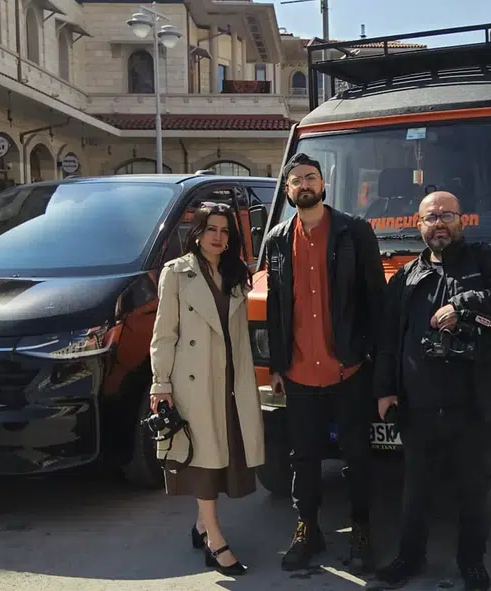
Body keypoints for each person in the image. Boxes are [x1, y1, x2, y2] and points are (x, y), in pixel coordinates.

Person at [373, 191, 491, 591]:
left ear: (463, 220)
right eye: (431, 217)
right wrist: (385, 390)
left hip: (474, 401)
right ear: (419, 225)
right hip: (419, 404)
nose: (439, 223)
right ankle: (409, 558)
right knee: (416, 488)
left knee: (474, 488)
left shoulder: (490, 261)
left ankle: (472, 563)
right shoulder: (406, 277)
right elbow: (389, 339)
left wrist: (463, 305)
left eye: (447, 215)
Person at [263, 152, 387, 572]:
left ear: (324, 183)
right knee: (304, 457)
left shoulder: (354, 232)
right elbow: (276, 306)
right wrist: (277, 365)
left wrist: (370, 356)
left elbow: (376, 299)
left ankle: (361, 529)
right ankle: (307, 528)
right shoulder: (278, 239)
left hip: (348, 368)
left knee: (357, 455)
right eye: (296, 180)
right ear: (287, 190)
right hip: (298, 372)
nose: (304, 185)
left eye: (310, 177)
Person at [149, 202, 265, 577]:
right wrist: (160, 383)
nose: (218, 237)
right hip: (193, 382)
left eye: (224, 230)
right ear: (197, 232)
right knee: (202, 461)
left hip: (231, 379)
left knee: (222, 457)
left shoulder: (236, 272)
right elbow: (163, 334)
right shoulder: (176, 273)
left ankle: (201, 526)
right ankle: (216, 540)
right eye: (211, 229)